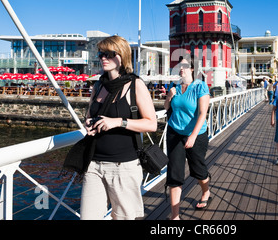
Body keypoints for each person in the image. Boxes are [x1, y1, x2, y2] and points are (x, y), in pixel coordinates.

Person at [64, 35, 157, 220]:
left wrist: (118, 122)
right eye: (101, 54)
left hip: (123, 166)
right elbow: (89, 115)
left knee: (124, 217)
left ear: (121, 56)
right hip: (94, 164)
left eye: (109, 54)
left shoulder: (135, 85)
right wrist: (88, 125)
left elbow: (151, 124)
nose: (103, 58)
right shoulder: (98, 85)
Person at [164, 56, 211, 220]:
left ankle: (206, 191)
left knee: (198, 170)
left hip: (196, 135)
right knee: (174, 173)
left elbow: (202, 114)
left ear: (192, 68)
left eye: (184, 65)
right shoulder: (174, 86)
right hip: (174, 133)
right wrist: (169, 97)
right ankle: (174, 217)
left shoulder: (200, 86)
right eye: (179, 65)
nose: (181, 68)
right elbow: (166, 107)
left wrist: (192, 136)